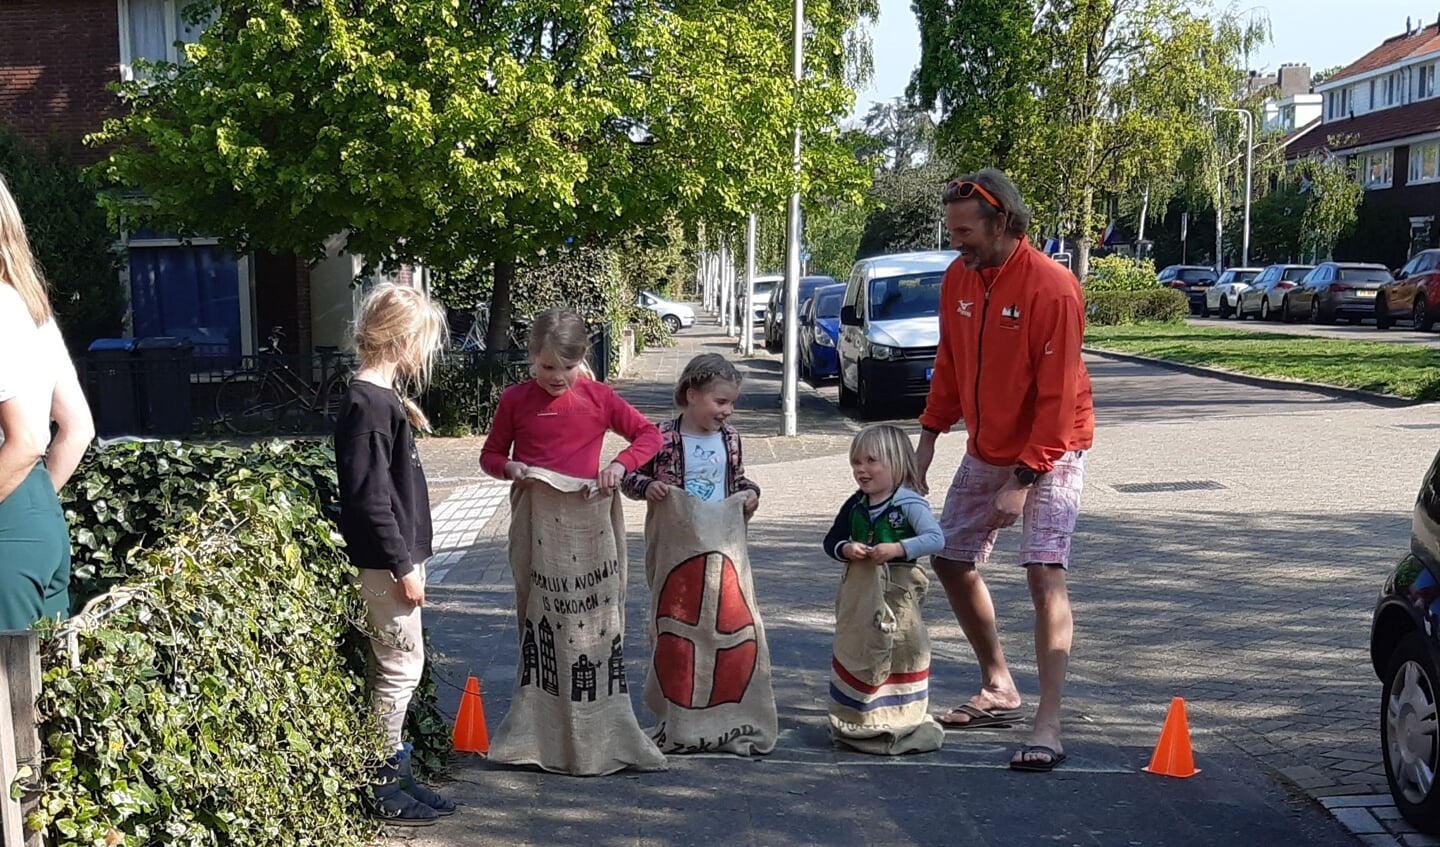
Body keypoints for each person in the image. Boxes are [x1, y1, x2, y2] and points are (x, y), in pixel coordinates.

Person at [916, 168, 1095, 773]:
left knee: (1043, 573)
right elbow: (948, 361)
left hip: (1054, 448)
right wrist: (929, 438)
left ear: (1003, 224)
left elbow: (1057, 395)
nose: (956, 242)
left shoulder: (1054, 288)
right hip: (986, 446)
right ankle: (998, 685)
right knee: (950, 556)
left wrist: (1023, 481)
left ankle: (1049, 722)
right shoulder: (957, 280)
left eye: (965, 231)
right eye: (952, 231)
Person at [335, 282, 455, 826]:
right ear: (404, 340)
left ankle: (396, 772)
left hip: (397, 557)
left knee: (403, 666)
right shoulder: (367, 405)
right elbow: (369, 498)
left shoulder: (379, 401)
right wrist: (402, 566)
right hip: (388, 563)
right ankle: (380, 783)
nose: (425, 354)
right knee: (398, 670)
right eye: (424, 341)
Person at [0, 173, 94, 631]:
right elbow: (77, 428)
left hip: (8, 526)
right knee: (32, 693)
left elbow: (29, 439)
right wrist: (31, 506)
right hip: (34, 518)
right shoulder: (29, 306)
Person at [822, 424, 945, 754]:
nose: (861, 470)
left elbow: (935, 539)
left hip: (899, 591)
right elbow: (831, 540)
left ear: (897, 463)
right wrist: (846, 549)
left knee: (901, 646)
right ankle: (858, 716)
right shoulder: (857, 503)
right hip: (861, 591)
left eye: (871, 461)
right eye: (856, 463)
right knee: (860, 644)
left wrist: (898, 548)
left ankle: (901, 716)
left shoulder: (908, 503)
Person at [480, 307, 661, 491]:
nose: (558, 377)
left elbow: (650, 435)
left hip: (582, 508)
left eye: (568, 367)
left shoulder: (599, 397)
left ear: (581, 357)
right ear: (534, 356)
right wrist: (508, 467)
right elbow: (490, 455)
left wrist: (620, 465)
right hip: (532, 509)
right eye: (548, 367)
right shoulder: (515, 399)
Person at [620, 352, 760, 515]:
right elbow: (627, 475)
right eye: (721, 402)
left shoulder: (730, 437)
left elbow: (736, 480)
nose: (729, 410)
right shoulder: (660, 436)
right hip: (675, 533)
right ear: (692, 396)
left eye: (732, 403)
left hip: (721, 532)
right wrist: (647, 486)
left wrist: (750, 492)